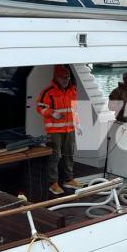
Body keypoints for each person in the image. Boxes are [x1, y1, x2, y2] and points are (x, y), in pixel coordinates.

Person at [36, 65, 82, 195]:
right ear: (56, 77)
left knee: (69, 155)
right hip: (55, 131)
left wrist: (78, 125)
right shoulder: (48, 91)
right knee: (54, 157)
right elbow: (40, 107)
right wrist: (52, 113)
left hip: (70, 129)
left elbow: (74, 110)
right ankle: (53, 183)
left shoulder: (72, 90)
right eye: (63, 77)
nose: (66, 79)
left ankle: (68, 179)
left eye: (67, 77)